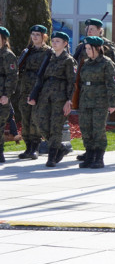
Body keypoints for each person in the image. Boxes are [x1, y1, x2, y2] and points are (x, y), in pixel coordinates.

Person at [27, 30, 76, 167]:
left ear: (65, 43)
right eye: (53, 41)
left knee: (56, 126)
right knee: (39, 120)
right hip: (45, 95)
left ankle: (52, 156)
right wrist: (33, 95)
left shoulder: (68, 60)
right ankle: (60, 147)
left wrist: (69, 100)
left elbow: (72, 82)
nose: (54, 43)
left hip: (59, 98)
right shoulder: (49, 57)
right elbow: (40, 78)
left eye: (58, 41)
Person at [76, 36, 115, 169]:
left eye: (89, 48)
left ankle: (99, 158)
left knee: (98, 130)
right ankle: (89, 157)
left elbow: (112, 84)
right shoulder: (86, 63)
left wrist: (112, 103)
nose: (87, 51)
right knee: (85, 128)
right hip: (85, 100)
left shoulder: (106, 63)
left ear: (98, 48)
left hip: (100, 101)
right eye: (86, 48)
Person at [15, 25, 51, 160]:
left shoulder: (48, 52)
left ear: (44, 37)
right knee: (25, 117)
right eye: (33, 34)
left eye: (38, 34)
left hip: (38, 90)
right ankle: (28, 146)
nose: (35, 37)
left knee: (35, 118)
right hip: (25, 89)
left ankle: (35, 147)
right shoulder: (27, 51)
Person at [0, 27, 15, 164]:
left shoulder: (8, 55)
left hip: (2, 96)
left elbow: (12, 77)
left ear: (4, 39)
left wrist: (6, 95)